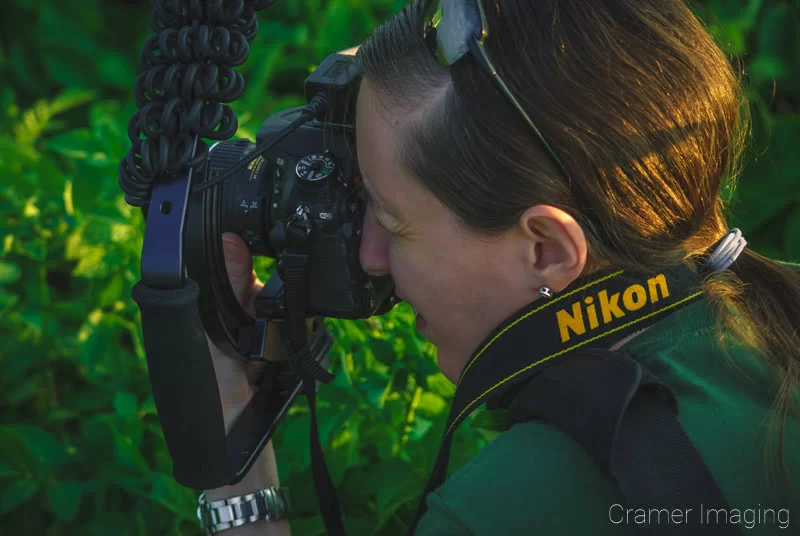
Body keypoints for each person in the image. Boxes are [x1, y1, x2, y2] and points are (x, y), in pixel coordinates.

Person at [200, 0, 800, 534]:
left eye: (391, 217)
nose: (369, 255)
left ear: (547, 250)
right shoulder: (771, 333)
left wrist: (229, 435)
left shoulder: (509, 507)